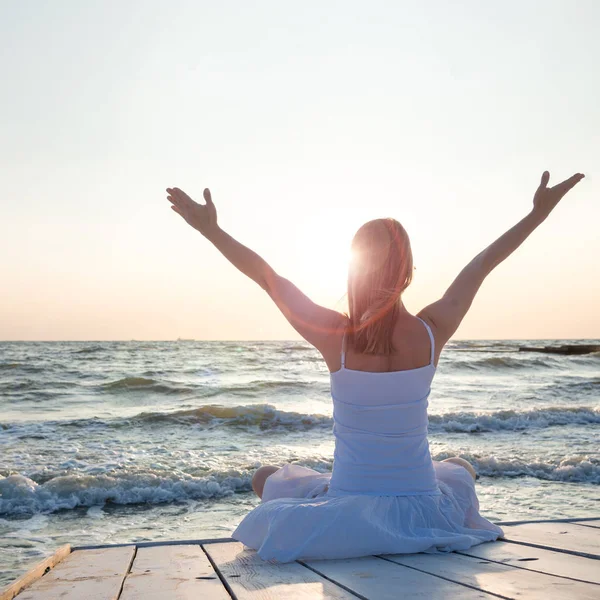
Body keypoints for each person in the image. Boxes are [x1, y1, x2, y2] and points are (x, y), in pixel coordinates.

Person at [166, 170, 585, 562]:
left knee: (265, 477)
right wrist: (537, 215)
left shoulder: (334, 335)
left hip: (347, 505)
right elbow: (483, 264)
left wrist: (211, 231)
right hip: (424, 507)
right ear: (408, 272)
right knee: (460, 469)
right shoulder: (432, 329)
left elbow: (268, 278)